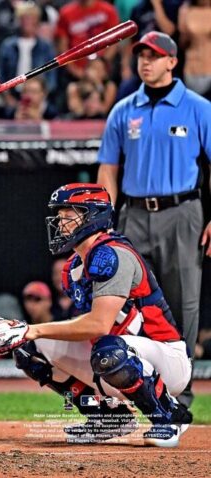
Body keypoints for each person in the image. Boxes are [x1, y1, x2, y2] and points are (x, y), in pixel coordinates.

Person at [0, 183, 193, 447]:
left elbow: (99, 324)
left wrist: (34, 327)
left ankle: (169, 416)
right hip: (117, 355)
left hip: (165, 358)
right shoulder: (73, 267)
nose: (61, 223)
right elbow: (87, 327)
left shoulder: (112, 255)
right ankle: (108, 419)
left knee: (106, 349)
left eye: (69, 216)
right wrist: (27, 333)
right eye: (60, 216)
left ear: (93, 216)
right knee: (29, 349)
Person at [96, 31, 211, 407]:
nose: (145, 62)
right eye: (141, 55)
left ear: (172, 62)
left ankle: (181, 393)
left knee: (182, 303)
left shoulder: (198, 107)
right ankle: (130, 390)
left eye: (154, 55)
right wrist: (102, 223)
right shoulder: (123, 109)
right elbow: (108, 169)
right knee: (124, 304)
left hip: (183, 213)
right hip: (133, 215)